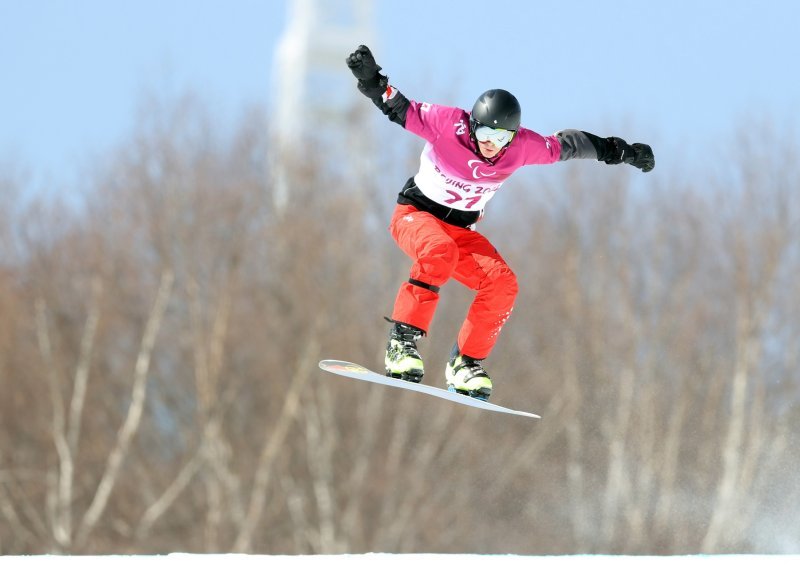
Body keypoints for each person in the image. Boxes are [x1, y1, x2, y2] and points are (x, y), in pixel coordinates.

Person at [346, 45, 654, 401]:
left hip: (461, 231)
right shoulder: (448, 124)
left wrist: (623, 152)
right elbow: (400, 108)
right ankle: (402, 342)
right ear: (472, 125)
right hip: (416, 216)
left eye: (502, 139)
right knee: (438, 250)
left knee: (502, 283)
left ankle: (465, 364)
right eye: (487, 136)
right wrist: (371, 80)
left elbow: (571, 145)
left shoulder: (521, 147)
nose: (493, 146)